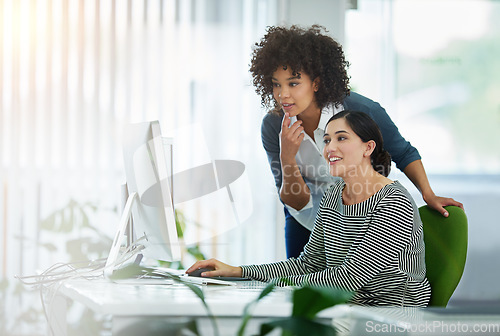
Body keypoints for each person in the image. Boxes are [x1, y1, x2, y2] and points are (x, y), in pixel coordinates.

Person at [250, 25, 463, 258]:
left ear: (316, 83)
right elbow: (297, 201)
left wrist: (428, 194)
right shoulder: (272, 126)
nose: (283, 95)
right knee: (301, 288)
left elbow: (403, 153)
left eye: (293, 83)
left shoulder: (362, 111)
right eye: (276, 84)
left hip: (361, 212)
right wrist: (287, 156)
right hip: (307, 220)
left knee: (354, 287)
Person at [187, 110, 431, 307]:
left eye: (341, 138)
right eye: (327, 140)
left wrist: (276, 286)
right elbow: (307, 265)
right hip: (344, 307)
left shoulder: (394, 201)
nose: (329, 148)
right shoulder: (334, 193)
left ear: (368, 148)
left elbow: (349, 278)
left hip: (389, 314)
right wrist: (238, 271)